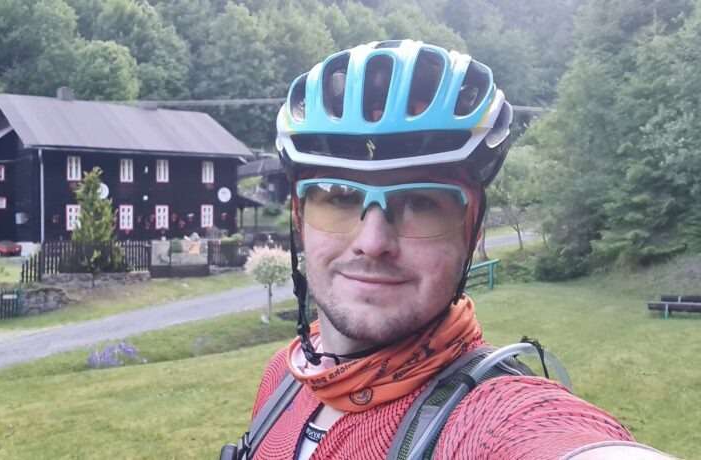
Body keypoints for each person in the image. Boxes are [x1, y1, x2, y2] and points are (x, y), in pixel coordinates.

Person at [236, 40, 673, 460]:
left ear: (471, 232)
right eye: (339, 197)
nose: (372, 242)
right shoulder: (283, 380)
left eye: (421, 204)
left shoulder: (492, 417)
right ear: (299, 218)